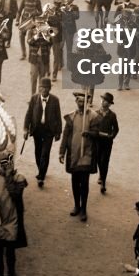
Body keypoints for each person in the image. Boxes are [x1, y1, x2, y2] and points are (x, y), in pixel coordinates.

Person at [59, 91, 98, 222]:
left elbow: (97, 133)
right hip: (74, 154)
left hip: (86, 154)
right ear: (76, 102)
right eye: (79, 101)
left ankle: (83, 209)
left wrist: (89, 133)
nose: (81, 104)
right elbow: (65, 135)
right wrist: (61, 152)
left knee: (84, 182)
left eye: (83, 101)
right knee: (75, 181)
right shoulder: (71, 117)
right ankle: (76, 205)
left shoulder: (93, 117)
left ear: (87, 102)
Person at [23, 77, 61, 188]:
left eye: (46, 88)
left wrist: (58, 132)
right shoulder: (34, 99)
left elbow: (58, 116)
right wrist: (26, 129)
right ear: (39, 88)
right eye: (41, 87)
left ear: (49, 89)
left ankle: (41, 176)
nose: (43, 90)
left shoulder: (55, 100)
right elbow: (29, 114)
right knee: (38, 152)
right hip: (37, 130)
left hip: (49, 131)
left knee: (45, 153)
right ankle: (41, 169)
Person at [89, 91, 119, 193]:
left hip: (107, 142)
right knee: (97, 159)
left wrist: (112, 136)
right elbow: (91, 127)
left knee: (104, 161)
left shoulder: (112, 115)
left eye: (106, 101)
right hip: (97, 141)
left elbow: (116, 129)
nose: (103, 102)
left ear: (110, 104)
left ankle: (103, 183)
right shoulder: (95, 114)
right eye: (103, 100)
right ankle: (101, 175)